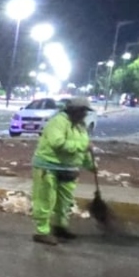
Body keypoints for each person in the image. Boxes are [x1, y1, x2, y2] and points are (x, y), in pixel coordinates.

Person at [31, 97, 95, 246]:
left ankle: (60, 227)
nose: (84, 115)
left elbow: (84, 151)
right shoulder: (58, 122)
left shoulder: (80, 126)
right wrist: (83, 145)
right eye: (82, 111)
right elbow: (57, 143)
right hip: (48, 166)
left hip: (69, 169)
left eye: (85, 112)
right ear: (73, 110)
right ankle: (42, 231)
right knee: (45, 200)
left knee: (64, 202)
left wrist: (91, 165)